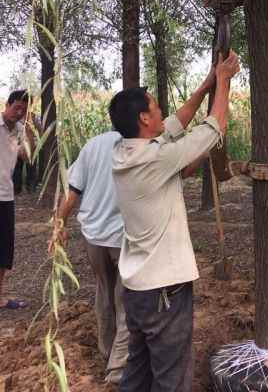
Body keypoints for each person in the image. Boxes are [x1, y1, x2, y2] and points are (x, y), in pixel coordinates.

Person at [110, 52, 240, 392]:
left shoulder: (125, 151)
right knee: (171, 378)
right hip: (164, 292)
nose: (161, 113)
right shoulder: (155, 159)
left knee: (138, 373)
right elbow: (215, 127)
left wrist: (206, 85)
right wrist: (224, 82)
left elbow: (175, 124)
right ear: (143, 118)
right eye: (155, 108)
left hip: (137, 290)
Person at [52, 126, 129, 384]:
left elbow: (72, 191)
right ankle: (118, 367)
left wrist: (59, 224)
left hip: (93, 235)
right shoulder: (136, 144)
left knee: (104, 289)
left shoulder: (92, 145)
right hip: (122, 236)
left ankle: (106, 350)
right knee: (125, 296)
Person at [0, 89, 30, 309]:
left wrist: (31, 130)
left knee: (4, 250)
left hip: (6, 196)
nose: (19, 112)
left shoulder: (20, 130)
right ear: (7, 105)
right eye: (16, 107)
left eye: (23, 110)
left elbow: (28, 156)